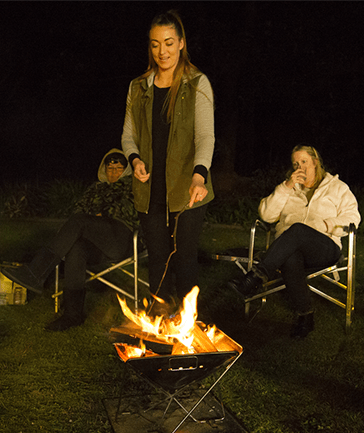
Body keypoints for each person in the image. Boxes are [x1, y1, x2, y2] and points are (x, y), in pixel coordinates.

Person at [121, 10, 215, 310]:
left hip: (188, 188)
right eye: (155, 44)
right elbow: (127, 136)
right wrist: (135, 161)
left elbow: (206, 137)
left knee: (185, 257)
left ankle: (189, 329)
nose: (162, 51)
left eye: (169, 43)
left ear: (182, 43)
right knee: (158, 260)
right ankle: (160, 323)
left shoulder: (197, 83)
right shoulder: (138, 87)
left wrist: (199, 176)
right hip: (150, 189)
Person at [229, 145, 361, 338]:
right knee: (291, 257)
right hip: (288, 250)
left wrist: (326, 224)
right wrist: (285, 187)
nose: (300, 167)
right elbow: (266, 215)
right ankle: (305, 317)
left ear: (315, 162)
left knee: (297, 229)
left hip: (324, 247)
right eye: (295, 164)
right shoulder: (288, 188)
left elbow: (353, 218)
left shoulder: (337, 188)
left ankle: (256, 277)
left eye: (304, 162)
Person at [0, 149, 139, 331]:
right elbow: (79, 209)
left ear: (126, 170)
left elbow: (130, 210)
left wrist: (99, 215)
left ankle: (36, 271)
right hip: (96, 243)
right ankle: (73, 315)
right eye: (109, 168)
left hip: (121, 238)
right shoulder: (95, 189)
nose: (113, 172)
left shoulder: (133, 185)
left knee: (80, 221)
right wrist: (91, 218)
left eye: (118, 168)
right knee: (76, 249)